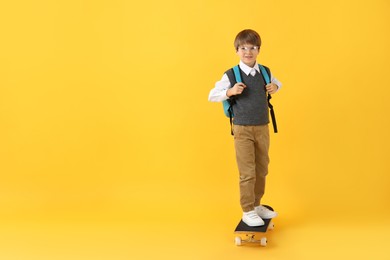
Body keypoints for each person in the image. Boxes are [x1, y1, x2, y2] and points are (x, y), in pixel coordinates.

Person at [208, 29, 281, 227]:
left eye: (252, 48)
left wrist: (275, 88)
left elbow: (278, 84)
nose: (248, 52)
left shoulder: (265, 71)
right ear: (237, 50)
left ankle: (257, 205)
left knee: (262, 168)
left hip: (262, 127)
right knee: (247, 172)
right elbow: (212, 95)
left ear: (258, 50)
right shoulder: (231, 74)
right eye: (243, 48)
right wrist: (230, 91)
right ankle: (248, 209)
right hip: (242, 129)